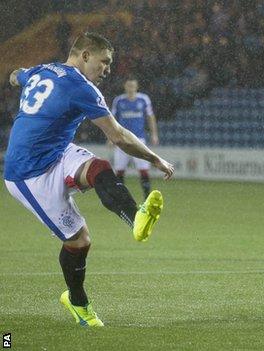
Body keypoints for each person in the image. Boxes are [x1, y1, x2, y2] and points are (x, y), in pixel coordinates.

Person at [3, 33, 174, 327]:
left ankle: (136, 218)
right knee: (80, 242)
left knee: (98, 167)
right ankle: (77, 301)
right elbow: (118, 136)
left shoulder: (44, 69)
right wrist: (155, 158)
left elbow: (16, 75)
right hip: (28, 174)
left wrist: (17, 77)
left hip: (56, 151)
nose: (107, 70)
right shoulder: (81, 86)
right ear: (84, 56)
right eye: (104, 62)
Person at [111, 78, 159, 199]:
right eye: (128, 86)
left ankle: (147, 198)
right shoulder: (119, 100)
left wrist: (154, 134)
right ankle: (120, 198)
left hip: (139, 140)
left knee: (143, 170)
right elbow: (111, 119)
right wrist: (110, 136)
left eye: (133, 86)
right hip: (122, 140)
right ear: (125, 87)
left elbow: (150, 117)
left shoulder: (143, 99)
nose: (131, 88)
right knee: (119, 170)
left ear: (136, 87)